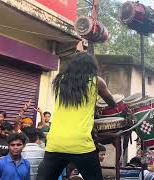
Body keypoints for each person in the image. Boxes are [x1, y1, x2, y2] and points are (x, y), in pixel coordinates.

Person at [37, 52, 116, 180]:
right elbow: (112, 103)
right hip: (81, 143)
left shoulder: (60, 81)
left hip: (56, 142)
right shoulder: (96, 82)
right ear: (91, 66)